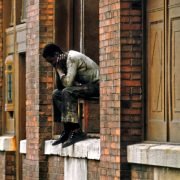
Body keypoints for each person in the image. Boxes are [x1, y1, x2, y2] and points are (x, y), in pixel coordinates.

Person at [42, 43, 99, 148]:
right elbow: (59, 87)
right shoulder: (63, 62)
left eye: (51, 61)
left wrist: (59, 69)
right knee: (56, 94)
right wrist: (57, 68)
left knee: (67, 92)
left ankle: (77, 131)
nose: (52, 64)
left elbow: (67, 84)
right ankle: (68, 129)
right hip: (86, 86)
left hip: (97, 86)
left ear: (56, 54)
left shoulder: (72, 58)